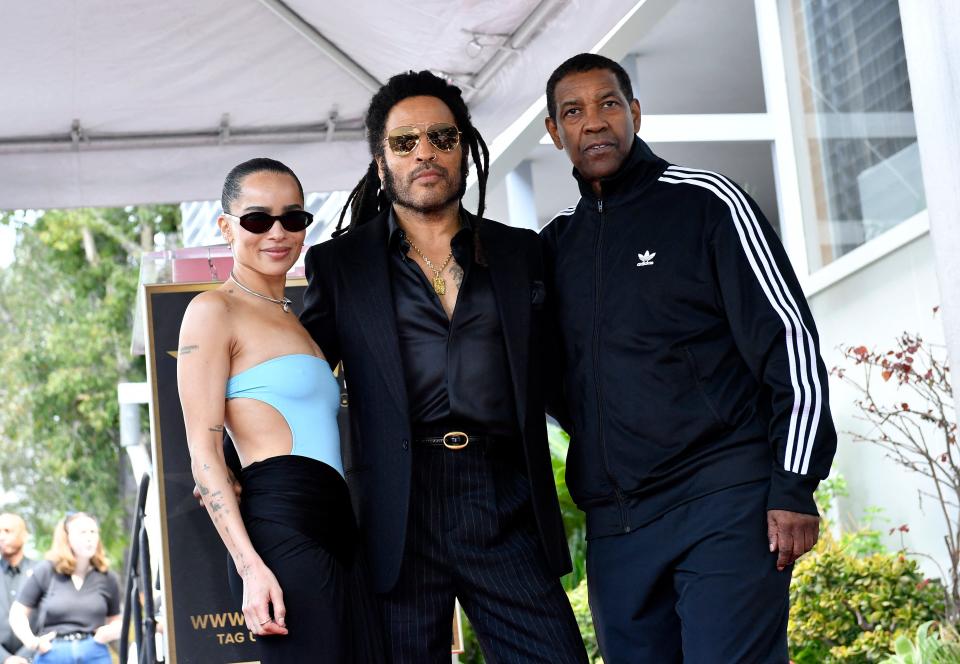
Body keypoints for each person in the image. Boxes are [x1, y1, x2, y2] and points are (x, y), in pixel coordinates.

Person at [539, 53, 838, 663]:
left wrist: (794, 484)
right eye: (574, 111)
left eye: (609, 104)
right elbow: (548, 378)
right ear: (554, 132)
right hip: (618, 525)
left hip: (722, 500)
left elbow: (791, 344)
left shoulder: (706, 203)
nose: (594, 122)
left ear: (636, 114)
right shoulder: (555, 247)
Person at [300, 70, 588, 663]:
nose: (425, 152)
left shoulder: (520, 252)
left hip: (503, 495)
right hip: (395, 505)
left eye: (441, 137)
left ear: (465, 149)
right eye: (404, 142)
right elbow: (301, 381)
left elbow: (564, 374)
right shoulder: (340, 266)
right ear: (382, 165)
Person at [177, 158, 382, 663]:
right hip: (282, 528)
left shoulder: (298, 319)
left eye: (293, 218)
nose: (277, 232)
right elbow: (202, 451)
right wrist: (250, 567)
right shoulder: (212, 310)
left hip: (338, 524)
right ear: (225, 227)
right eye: (256, 219)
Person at [8, 513, 120, 663]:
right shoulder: (47, 571)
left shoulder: (107, 577)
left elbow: (117, 620)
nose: (89, 537)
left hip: (94, 653)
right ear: (67, 538)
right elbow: (17, 613)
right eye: (82, 532)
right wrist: (32, 642)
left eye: (93, 532)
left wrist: (109, 633)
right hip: (53, 653)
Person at [1, 513, 38, 664]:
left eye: (7, 531)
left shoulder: (41, 573)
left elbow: (51, 619)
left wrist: (25, 657)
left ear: (25, 536)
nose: (1, 536)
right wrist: (5, 659)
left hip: (36, 657)